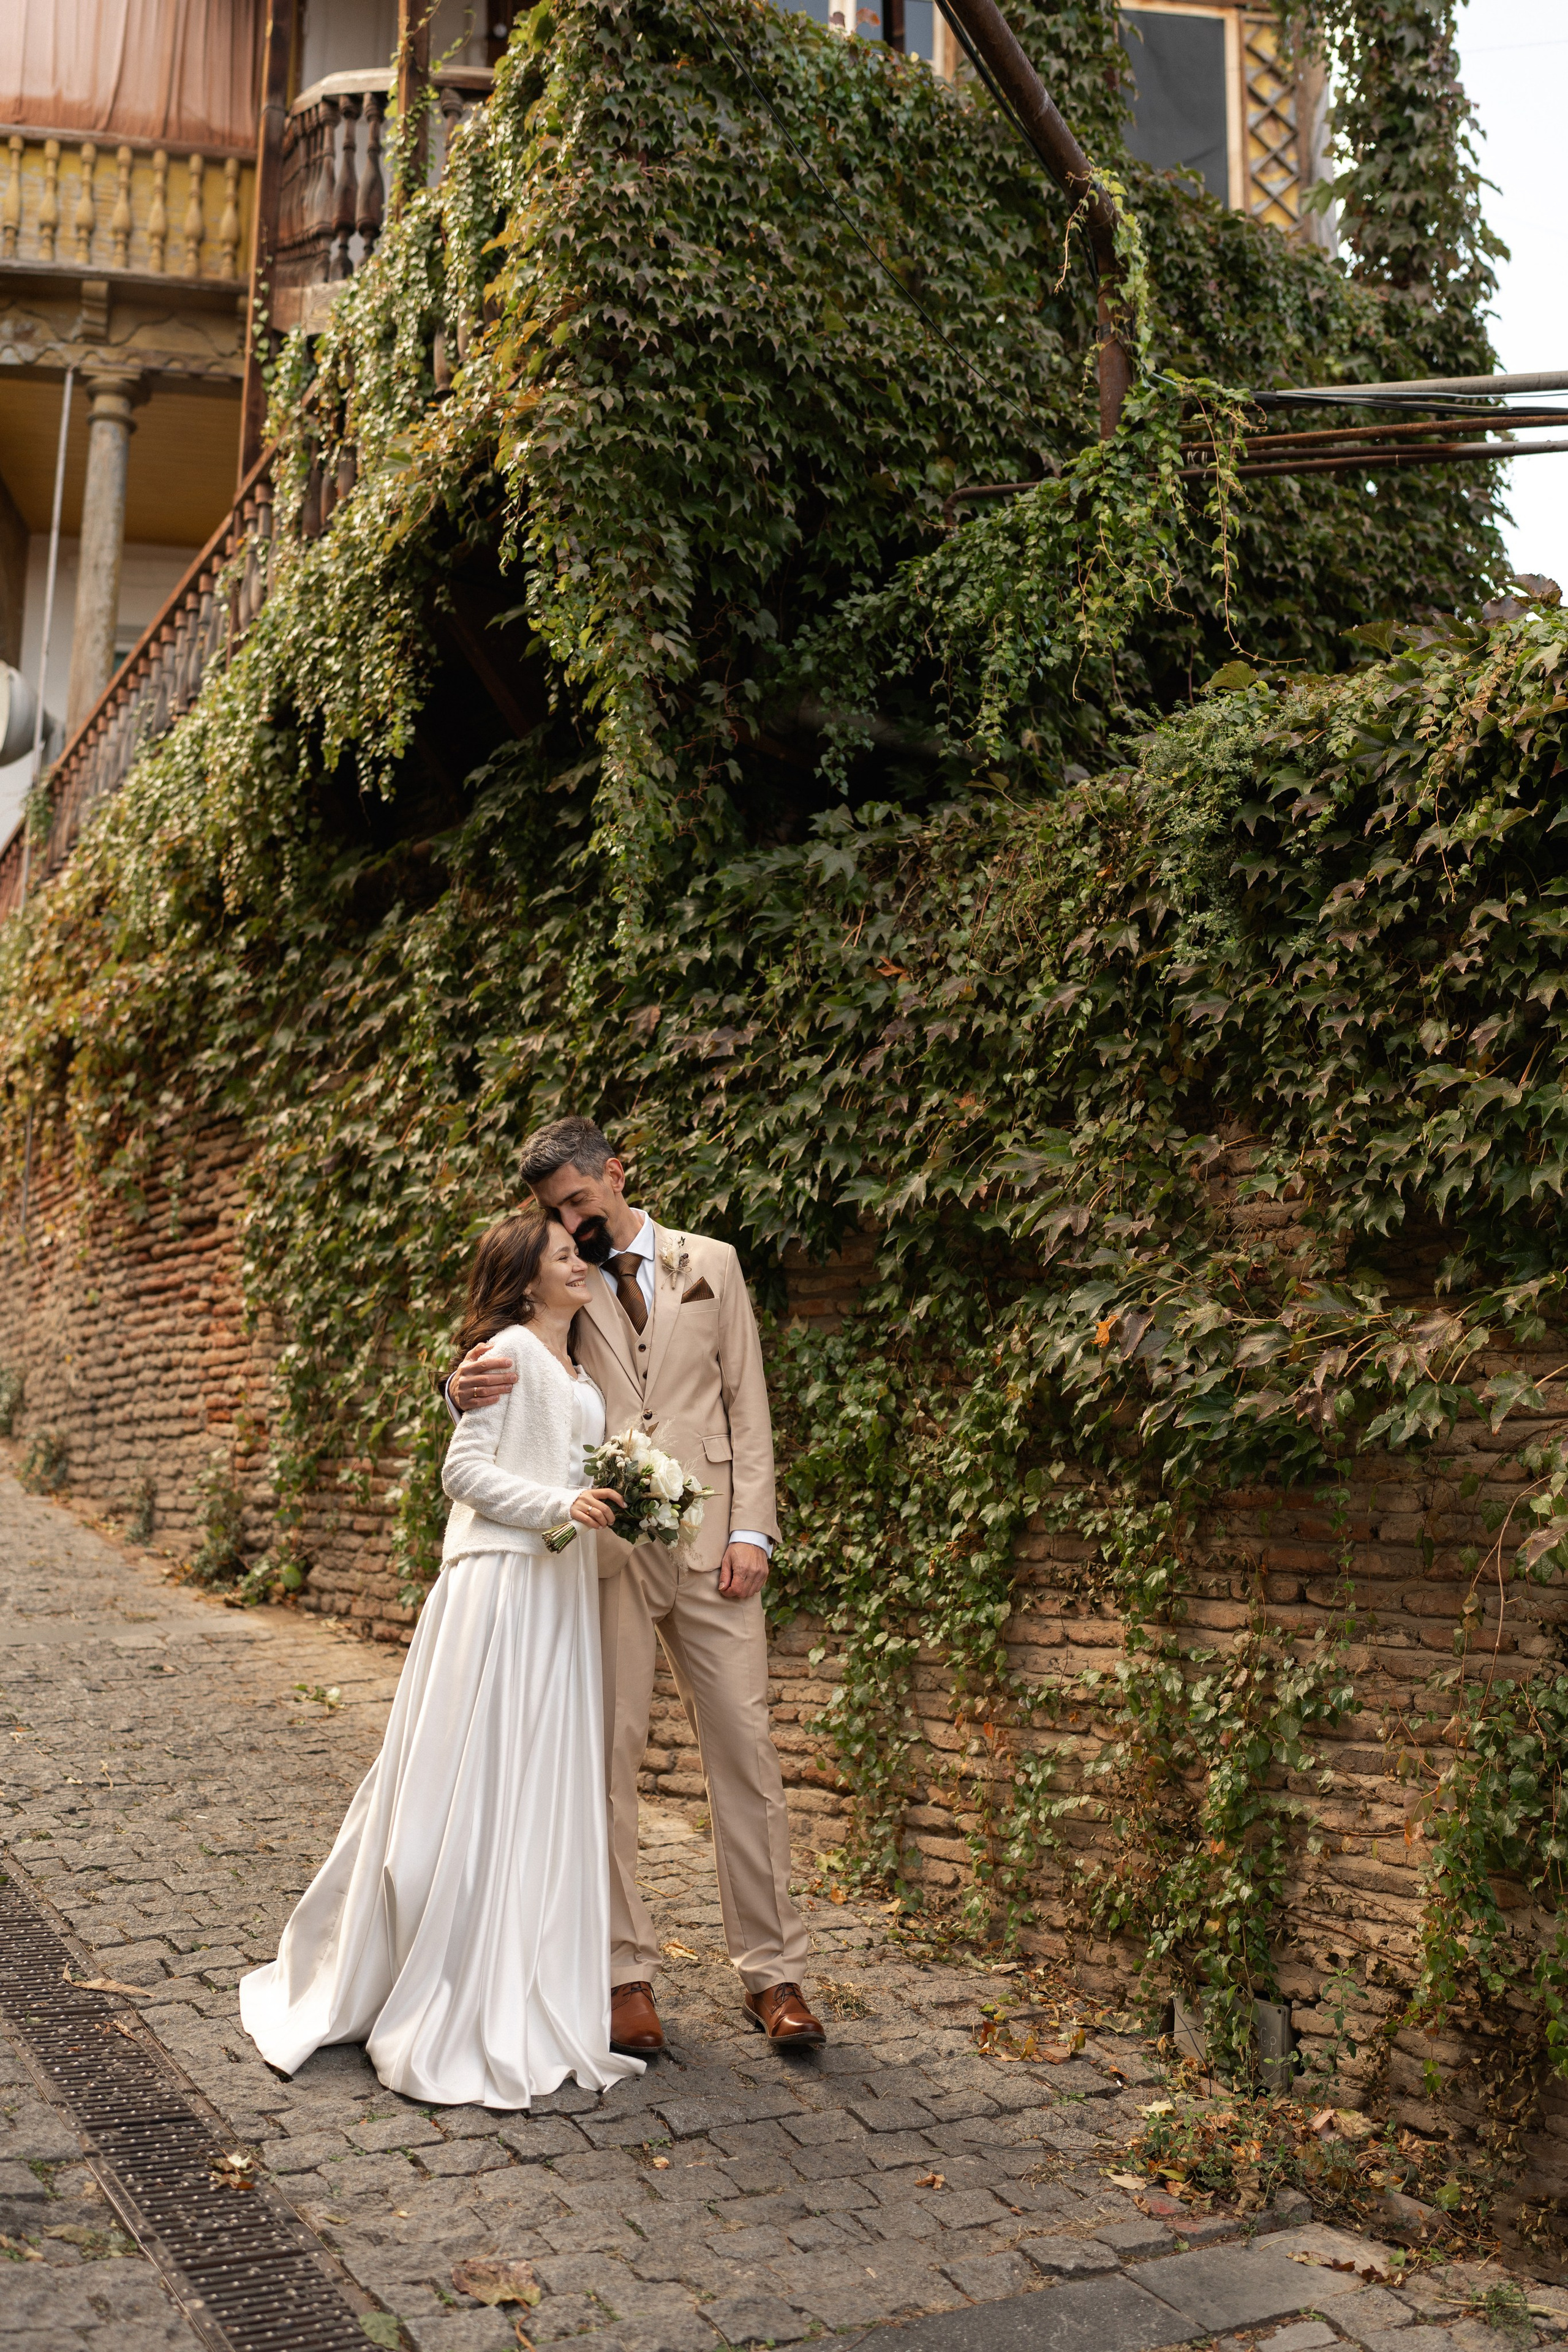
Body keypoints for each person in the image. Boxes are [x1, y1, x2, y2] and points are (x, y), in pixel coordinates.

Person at [239, 1208, 644, 2108]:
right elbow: (462, 1474)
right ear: (525, 1279)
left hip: (557, 1589)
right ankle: (447, 1973)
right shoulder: (507, 1352)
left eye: (579, 1253)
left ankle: (523, 1965)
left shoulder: (576, 1361)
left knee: (535, 1774)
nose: (580, 1265)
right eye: (562, 1257)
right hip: (501, 1585)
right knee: (477, 1772)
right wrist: (560, 1506)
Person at [445, 1115, 826, 2054]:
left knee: (746, 1752)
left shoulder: (714, 1264)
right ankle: (623, 1974)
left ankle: (774, 1975)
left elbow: (747, 1403)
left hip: (714, 1548)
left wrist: (753, 1530)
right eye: (556, 1211)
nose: (572, 1223)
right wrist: (455, 1390)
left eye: (579, 1200)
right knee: (606, 1763)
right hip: (604, 1554)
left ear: (615, 1174)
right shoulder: (566, 1279)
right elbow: (505, 1342)